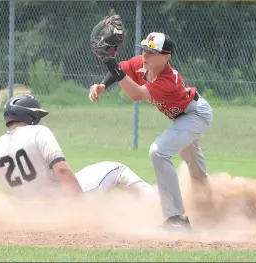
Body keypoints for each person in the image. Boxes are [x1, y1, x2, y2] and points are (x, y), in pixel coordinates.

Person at [89, 32, 213, 233]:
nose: (146, 55)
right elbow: (121, 69)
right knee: (191, 162)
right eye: (145, 49)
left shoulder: (169, 79)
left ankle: (176, 218)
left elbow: (137, 94)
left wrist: (109, 62)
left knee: (159, 151)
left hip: (196, 114)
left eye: (153, 52)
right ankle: (212, 207)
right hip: (180, 117)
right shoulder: (140, 63)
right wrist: (103, 84)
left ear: (166, 57)